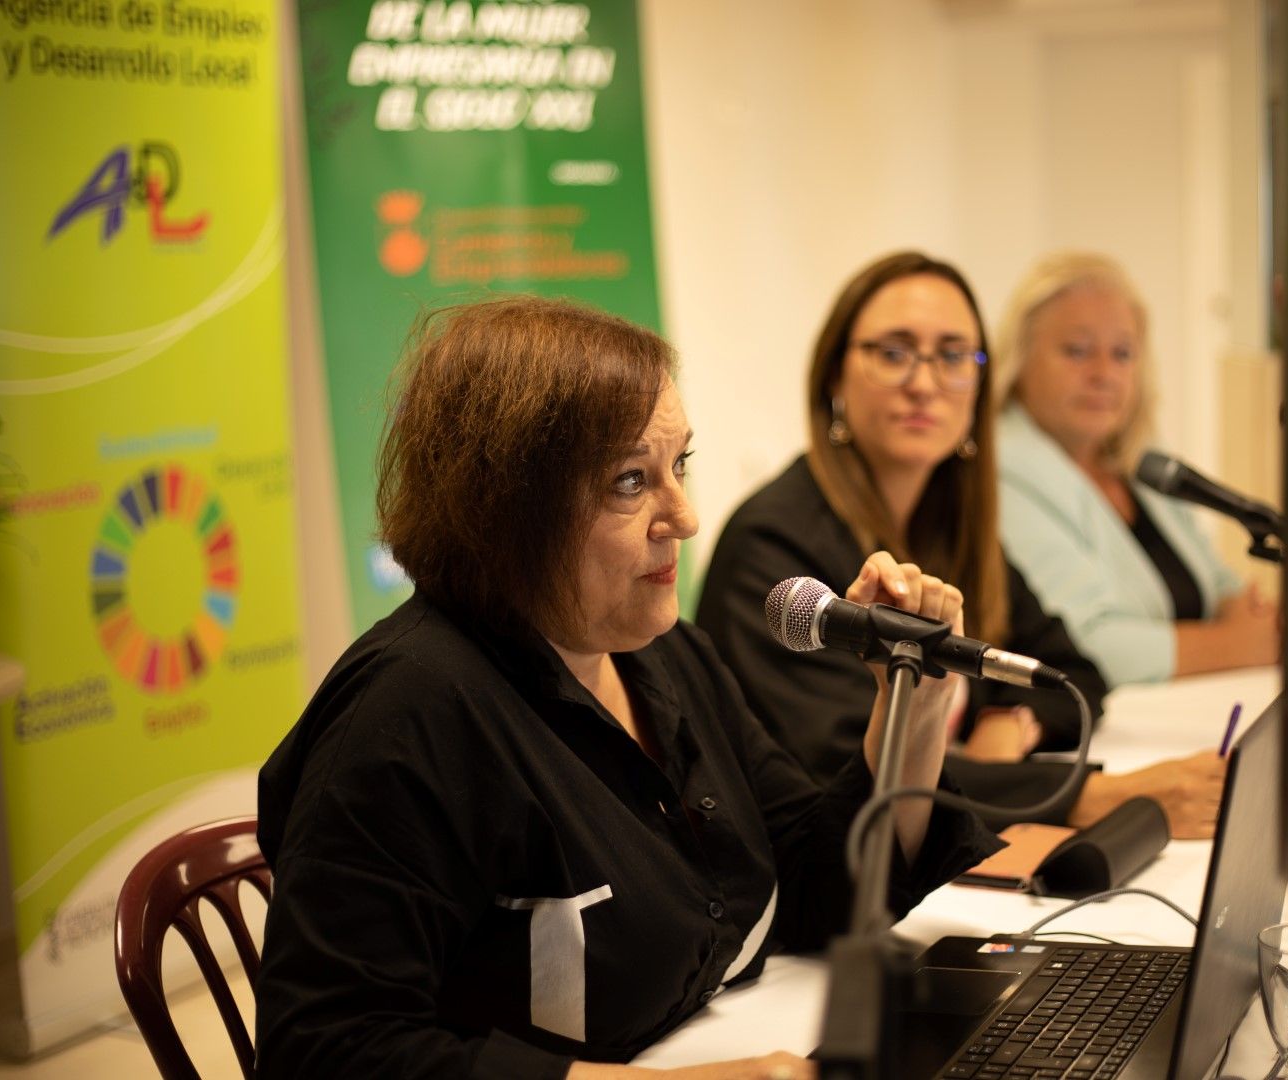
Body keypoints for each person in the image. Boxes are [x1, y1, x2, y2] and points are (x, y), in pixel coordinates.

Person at [254, 296, 1001, 1078]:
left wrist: (913, 693)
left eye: (679, 466)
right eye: (628, 481)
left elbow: (825, 891)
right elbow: (327, 1052)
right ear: (507, 505)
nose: (684, 516)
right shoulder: (407, 712)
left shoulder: (665, 654)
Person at [697, 251, 1225, 838]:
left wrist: (1012, 718)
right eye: (894, 353)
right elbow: (861, 775)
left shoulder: (948, 527)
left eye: (952, 356)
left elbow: (1075, 673)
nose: (924, 384)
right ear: (834, 379)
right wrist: (1099, 796)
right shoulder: (771, 545)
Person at [991, 251, 1279, 687]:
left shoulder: (1142, 468)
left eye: (1123, 353)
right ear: (1019, 361)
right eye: (1077, 350)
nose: (1104, 373)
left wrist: (1243, 621)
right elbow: (1087, 644)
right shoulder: (1002, 471)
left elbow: (1222, 587)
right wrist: (1239, 646)